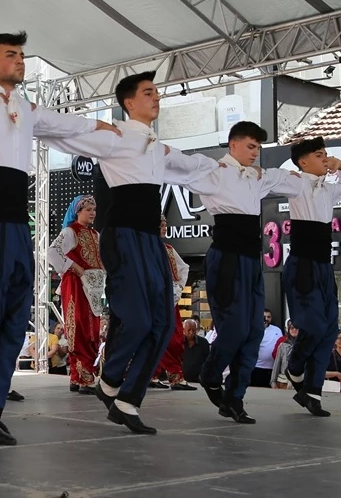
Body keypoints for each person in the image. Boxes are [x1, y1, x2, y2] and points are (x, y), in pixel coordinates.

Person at [0, 33, 118, 444]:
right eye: (11, 55)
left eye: (23, 55)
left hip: (15, 225)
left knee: (15, 320)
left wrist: (104, 128)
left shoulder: (25, 108)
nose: (21, 61)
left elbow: (66, 125)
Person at [47, 72, 218, 434]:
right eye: (148, 92)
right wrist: (22, 116)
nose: (156, 98)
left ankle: (124, 399)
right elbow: (66, 130)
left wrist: (233, 169)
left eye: (157, 92)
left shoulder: (157, 146)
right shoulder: (115, 136)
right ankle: (108, 378)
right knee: (138, 320)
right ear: (129, 102)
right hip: (122, 237)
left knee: (163, 323)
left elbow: (193, 166)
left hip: (150, 241)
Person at [183, 122, 306, 423]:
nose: (255, 154)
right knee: (234, 329)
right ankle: (211, 373)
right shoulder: (215, 173)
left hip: (252, 262)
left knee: (253, 332)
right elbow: (177, 168)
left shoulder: (257, 177)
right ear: (233, 145)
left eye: (259, 148)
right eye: (250, 147)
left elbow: (289, 180)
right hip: (226, 259)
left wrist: (318, 173)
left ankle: (234, 399)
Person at [282, 137, 341, 417]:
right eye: (319, 155)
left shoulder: (327, 190)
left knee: (328, 329)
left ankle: (313, 393)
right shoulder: (296, 182)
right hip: (302, 265)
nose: (325, 159)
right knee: (312, 326)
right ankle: (295, 366)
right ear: (303, 162)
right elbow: (273, 181)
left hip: (324, 267)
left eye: (326, 154)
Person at [49, 194, 105, 394]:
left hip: (94, 288)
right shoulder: (70, 231)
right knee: (79, 328)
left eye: (94, 209)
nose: (92, 213)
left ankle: (78, 376)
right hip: (76, 285)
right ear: (78, 211)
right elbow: (52, 252)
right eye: (88, 209)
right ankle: (83, 378)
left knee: (93, 329)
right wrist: (76, 268)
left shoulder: (95, 234)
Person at [151, 216, 197, 392]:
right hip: (153, 301)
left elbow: (183, 268)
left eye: (165, 224)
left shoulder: (168, 249)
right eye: (161, 225)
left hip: (168, 300)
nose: (165, 227)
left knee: (174, 337)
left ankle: (173, 376)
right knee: (154, 338)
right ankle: (155, 375)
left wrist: (176, 288)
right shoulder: (145, 249)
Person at [253, 310, 284, 389]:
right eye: (264, 317)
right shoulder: (253, 329)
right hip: (256, 368)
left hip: (272, 369)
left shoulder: (277, 330)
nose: (266, 319)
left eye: (268, 317)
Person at [270, 320, 300, 389]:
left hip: (298, 382)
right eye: (292, 328)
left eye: (297, 328)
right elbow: (276, 365)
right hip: (283, 381)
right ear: (288, 330)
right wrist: (273, 382)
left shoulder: (304, 346)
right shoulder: (282, 345)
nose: (294, 330)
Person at [180, 318, 210, 385]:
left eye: (193, 330)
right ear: (184, 330)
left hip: (199, 380)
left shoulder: (203, 343)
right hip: (182, 380)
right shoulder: (179, 342)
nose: (191, 332)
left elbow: (208, 360)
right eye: (189, 330)